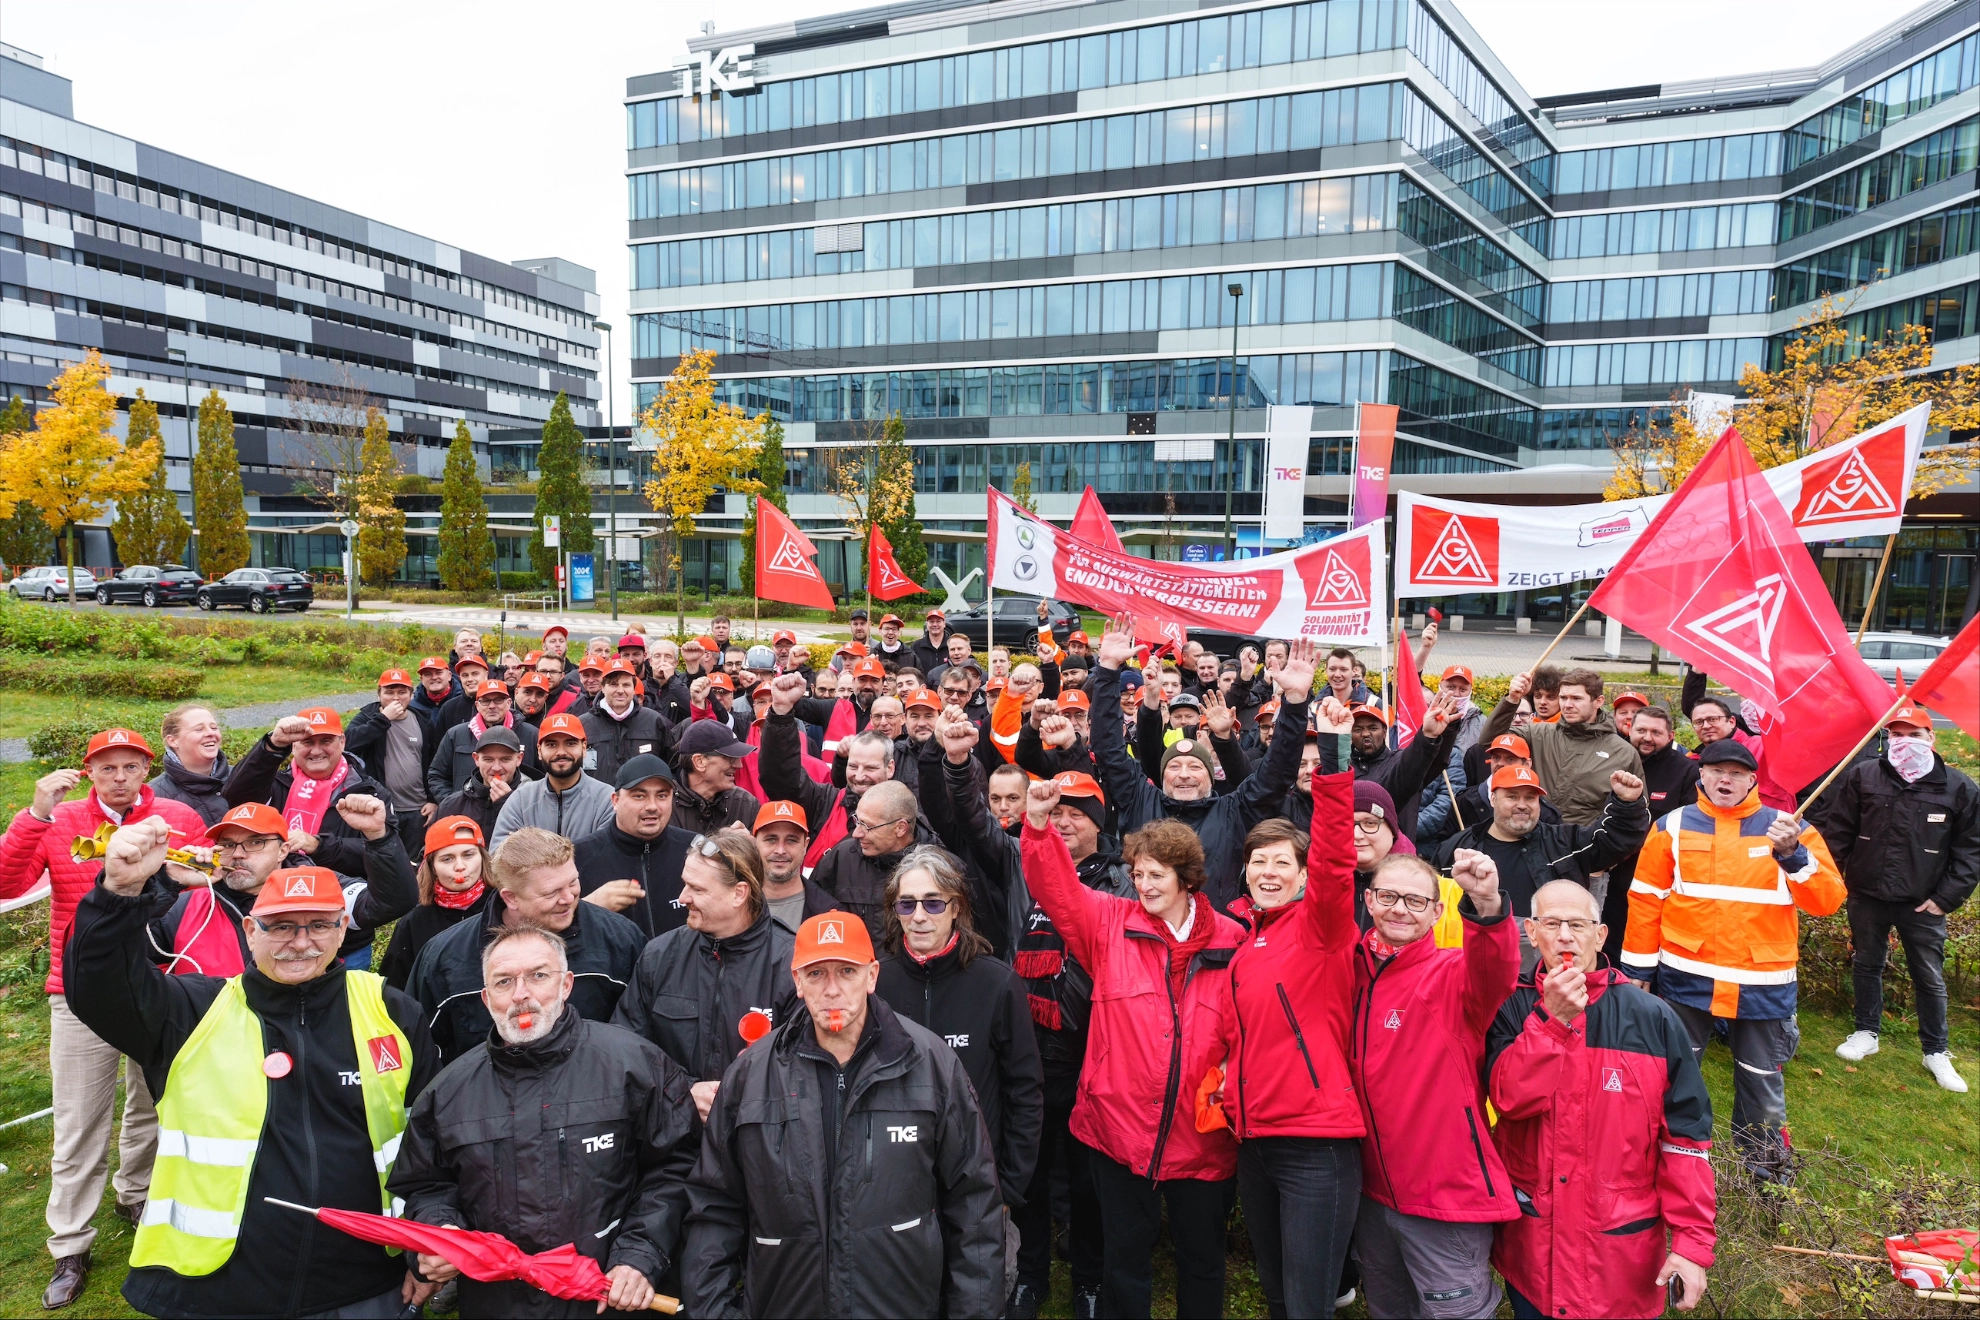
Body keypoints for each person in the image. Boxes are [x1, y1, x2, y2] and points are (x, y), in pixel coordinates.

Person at [65, 820, 440, 1319]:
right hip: (217, 1290)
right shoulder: (193, 1013)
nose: (301, 942)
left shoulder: (392, 1012)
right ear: (249, 930)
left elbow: (434, 1142)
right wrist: (120, 893)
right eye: (281, 925)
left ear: (343, 929)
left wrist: (429, 1239)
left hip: (364, 1281)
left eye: (319, 924)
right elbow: (97, 985)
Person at [683, 911, 1006, 1318]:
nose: (832, 990)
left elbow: (973, 1204)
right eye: (816, 974)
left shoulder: (929, 1064)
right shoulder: (751, 1074)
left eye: (847, 972)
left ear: (871, 976)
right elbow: (714, 1206)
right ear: (796, 982)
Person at [391, 923, 701, 1317]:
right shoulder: (449, 1091)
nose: (521, 995)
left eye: (538, 976)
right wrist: (443, 1232)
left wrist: (641, 1254)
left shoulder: (634, 1065)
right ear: (486, 999)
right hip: (499, 1305)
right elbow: (426, 1185)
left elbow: (679, 1165)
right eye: (504, 982)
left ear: (567, 984)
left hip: (611, 1297)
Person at [0, 728, 207, 1309]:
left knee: (151, 1104)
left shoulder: (175, 814)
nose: (119, 777)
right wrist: (34, 815)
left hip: (157, 986)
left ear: (146, 769)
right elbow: (6, 882)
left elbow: (198, 883)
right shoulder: (60, 819)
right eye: (107, 767)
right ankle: (70, 1243)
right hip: (78, 991)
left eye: (130, 766)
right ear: (89, 772)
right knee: (79, 1120)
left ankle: (135, 1193)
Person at [1020, 781, 1241, 1320]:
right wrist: (1038, 826)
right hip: (1118, 1133)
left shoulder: (1234, 940)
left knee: (1202, 1262)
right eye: (1136, 873)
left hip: (1204, 1140)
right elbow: (1056, 888)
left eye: (1156, 874)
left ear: (1188, 879)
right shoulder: (1109, 924)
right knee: (1124, 1262)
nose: (1142, 884)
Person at [1487, 879, 1715, 1319]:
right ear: (1531, 933)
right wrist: (1551, 1022)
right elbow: (1511, 1100)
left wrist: (1691, 1241)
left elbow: (1686, 1139)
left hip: (1619, 1250)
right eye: (1552, 924)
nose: (1566, 936)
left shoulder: (1653, 1017)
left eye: (1578, 923)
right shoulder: (1511, 1007)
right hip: (1535, 1244)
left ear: (1601, 934)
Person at [1624, 738, 1844, 1182]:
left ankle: (1764, 1176)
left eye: (1736, 773)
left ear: (1752, 780)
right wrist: (1637, 971)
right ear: (1700, 775)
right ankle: (1665, 1161)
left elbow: (1828, 901)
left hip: (1762, 984)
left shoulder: (1789, 827)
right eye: (1716, 771)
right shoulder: (1673, 826)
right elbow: (1646, 900)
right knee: (1672, 1075)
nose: (1725, 780)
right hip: (1688, 980)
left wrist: (1794, 854)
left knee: (1760, 1082)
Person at [1222, 696, 1364, 1320]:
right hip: (1253, 1141)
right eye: (1260, 862)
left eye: (1284, 863)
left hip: (1316, 1144)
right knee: (1277, 1294)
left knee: (1309, 1304)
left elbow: (1336, 855)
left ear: (1305, 876)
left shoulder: (1323, 926)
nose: (1270, 872)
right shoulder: (1243, 941)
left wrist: (1333, 756)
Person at [1349, 849, 1519, 1320]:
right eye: (1388, 896)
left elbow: (1495, 969)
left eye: (1415, 900)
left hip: (1444, 1198)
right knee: (1388, 1309)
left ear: (1437, 910)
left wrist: (1486, 905)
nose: (1400, 908)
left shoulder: (1451, 973)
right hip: (1371, 1192)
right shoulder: (1348, 969)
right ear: (1369, 900)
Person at [875, 846, 1043, 1305]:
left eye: (933, 902)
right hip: (896, 1186)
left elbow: (1025, 1091)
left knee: (978, 1301)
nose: (920, 916)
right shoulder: (876, 982)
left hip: (979, 1187)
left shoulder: (997, 983)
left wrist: (1009, 1186)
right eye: (907, 904)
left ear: (957, 908)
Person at [1088, 616, 1315, 911]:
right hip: (1145, 940)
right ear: (1160, 775)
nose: (1184, 775)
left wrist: (1295, 703)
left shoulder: (1234, 811)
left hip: (1215, 946)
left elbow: (1277, 772)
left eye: (1195, 767)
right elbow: (1108, 748)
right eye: (1174, 767)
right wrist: (1107, 671)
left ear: (1210, 777)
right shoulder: (1140, 800)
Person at [1820, 698, 1977, 1092]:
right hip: (1867, 892)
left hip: (1924, 901)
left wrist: (1946, 898)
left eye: (1914, 735)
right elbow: (1839, 832)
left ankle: (1936, 1050)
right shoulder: (1864, 776)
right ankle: (1866, 1033)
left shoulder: (1958, 787)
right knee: (1867, 963)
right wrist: (1829, 879)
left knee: (1929, 975)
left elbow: (1971, 848)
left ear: (1932, 737)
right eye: (1896, 734)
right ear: (1886, 738)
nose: (1904, 741)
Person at [408, 826, 648, 1066]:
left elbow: (642, 1033)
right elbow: (421, 1049)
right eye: (551, 892)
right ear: (510, 897)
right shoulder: (446, 957)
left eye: (573, 882)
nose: (568, 898)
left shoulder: (619, 939)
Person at [613, 830, 798, 1120]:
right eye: (685, 884)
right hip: (673, 1141)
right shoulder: (660, 956)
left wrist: (741, 1094)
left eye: (697, 889)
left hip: (758, 1139)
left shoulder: (792, 963)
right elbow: (626, 1050)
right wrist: (683, 1092)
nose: (682, 897)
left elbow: (805, 1070)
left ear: (739, 894)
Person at [154, 794, 414, 980]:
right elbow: (130, 950)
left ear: (283, 850)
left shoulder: (317, 886)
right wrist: (167, 883)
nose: (238, 854)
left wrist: (379, 836)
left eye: (255, 843)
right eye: (229, 844)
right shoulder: (191, 902)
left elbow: (392, 902)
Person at [1431, 764, 1649, 972]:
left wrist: (1626, 804)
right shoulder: (1456, 849)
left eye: (1530, 798)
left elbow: (1614, 841)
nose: (1522, 804)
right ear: (1493, 799)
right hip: (1478, 964)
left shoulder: (1565, 843)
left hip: (1550, 974)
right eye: (1512, 796)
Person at [1486, 668, 1642, 825]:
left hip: (1585, 844)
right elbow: (1489, 740)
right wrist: (1512, 699)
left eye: (1576, 698)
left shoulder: (1622, 752)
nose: (1567, 705)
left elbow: (1638, 812)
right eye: (1563, 698)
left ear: (1598, 701)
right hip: (1532, 838)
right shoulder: (1539, 733)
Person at [573, 754, 697, 939]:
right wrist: (588, 908)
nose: (652, 806)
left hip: (684, 966)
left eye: (662, 795)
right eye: (639, 796)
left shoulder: (695, 851)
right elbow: (546, 930)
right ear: (615, 801)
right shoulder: (579, 857)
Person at [380, 815, 495, 991]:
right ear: (432, 866)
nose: (460, 866)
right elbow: (395, 988)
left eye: (468, 855)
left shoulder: (504, 906)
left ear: (482, 858)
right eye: (447, 858)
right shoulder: (414, 923)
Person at [1344, 695, 1461, 845]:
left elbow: (1434, 760)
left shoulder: (1404, 762)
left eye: (1373, 728)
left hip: (1399, 856)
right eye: (1358, 729)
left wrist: (1440, 731)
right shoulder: (1344, 770)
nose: (1366, 734)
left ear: (1385, 731)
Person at [344, 667, 438, 853]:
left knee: (414, 864)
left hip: (417, 809)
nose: (396, 698)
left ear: (411, 695)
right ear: (379, 694)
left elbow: (434, 763)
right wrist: (383, 719)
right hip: (381, 808)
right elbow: (347, 744)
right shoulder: (367, 717)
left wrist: (433, 800)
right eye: (389, 692)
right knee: (383, 859)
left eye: (402, 692)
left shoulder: (422, 721)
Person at [490, 713, 615, 852]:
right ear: (539, 751)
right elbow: (499, 858)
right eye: (551, 745)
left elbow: (607, 858)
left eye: (570, 743)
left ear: (584, 748)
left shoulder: (606, 799)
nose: (561, 752)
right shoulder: (520, 800)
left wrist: (530, 849)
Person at [426, 678, 539, 803]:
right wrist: (454, 803)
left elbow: (542, 779)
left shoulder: (531, 734)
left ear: (508, 703)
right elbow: (437, 775)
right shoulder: (455, 734)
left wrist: (523, 805)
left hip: (516, 813)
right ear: (477, 705)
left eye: (498, 700)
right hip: (467, 815)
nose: (492, 706)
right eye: (485, 701)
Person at [581, 657, 674, 785]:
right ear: (602, 687)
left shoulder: (654, 721)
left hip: (643, 801)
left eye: (626, 685)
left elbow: (672, 766)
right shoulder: (583, 725)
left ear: (633, 688)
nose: (620, 691)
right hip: (597, 802)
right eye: (613, 684)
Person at [432, 726, 527, 840]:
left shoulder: (532, 804)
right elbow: (430, 853)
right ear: (476, 759)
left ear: (519, 759)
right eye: (488, 759)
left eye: (505, 759)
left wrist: (508, 804)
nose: (496, 767)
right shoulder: (452, 805)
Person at [671, 720, 763, 835]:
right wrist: (724, 844)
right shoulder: (664, 805)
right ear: (700, 761)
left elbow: (759, 851)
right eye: (730, 757)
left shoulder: (745, 804)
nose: (739, 765)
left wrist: (749, 845)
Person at [149, 703, 232, 825]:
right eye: (199, 729)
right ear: (173, 741)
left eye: (214, 728)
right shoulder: (155, 795)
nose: (210, 733)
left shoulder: (243, 777)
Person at [911, 607, 951, 674]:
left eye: (938, 621)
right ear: (927, 624)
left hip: (947, 684)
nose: (935, 624)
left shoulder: (952, 646)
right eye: (931, 621)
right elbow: (912, 670)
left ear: (944, 624)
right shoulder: (916, 646)